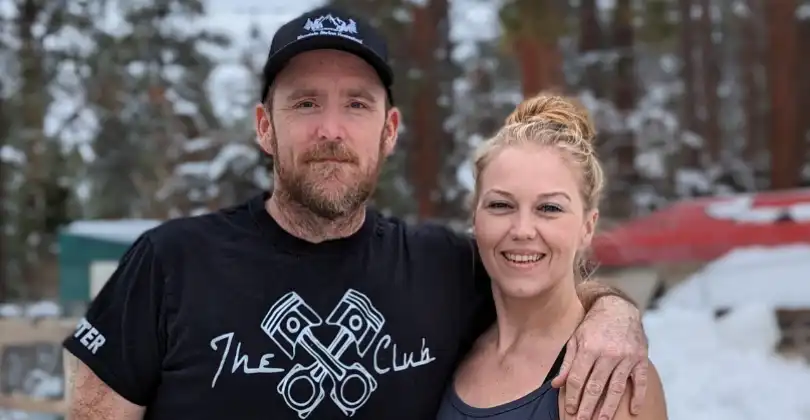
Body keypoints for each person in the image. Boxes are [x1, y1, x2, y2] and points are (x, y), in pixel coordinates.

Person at [62, 6, 648, 420]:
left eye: (357, 105)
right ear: (265, 126)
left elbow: (539, 280)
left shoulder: (442, 267)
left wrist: (615, 314)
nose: (331, 130)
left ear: (388, 131)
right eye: (305, 103)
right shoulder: (171, 263)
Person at [435, 94, 667, 420]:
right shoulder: (447, 344)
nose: (522, 230)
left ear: (587, 227)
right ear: (475, 217)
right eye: (500, 205)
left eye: (549, 208)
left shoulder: (608, 380)